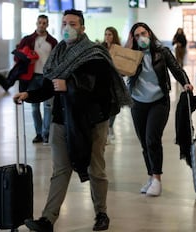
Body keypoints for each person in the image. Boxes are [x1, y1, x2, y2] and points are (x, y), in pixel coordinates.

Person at [13, 9, 132, 232]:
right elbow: (49, 84)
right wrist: (29, 94)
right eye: (65, 23)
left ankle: (101, 214)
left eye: (73, 24)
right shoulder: (58, 53)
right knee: (60, 169)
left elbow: (102, 89)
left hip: (92, 120)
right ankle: (47, 219)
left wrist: (72, 86)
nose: (68, 28)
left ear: (83, 28)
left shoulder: (95, 54)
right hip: (62, 118)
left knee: (96, 169)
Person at [127, 22, 193, 196]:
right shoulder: (133, 55)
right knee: (144, 143)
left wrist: (185, 82)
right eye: (136, 35)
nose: (141, 37)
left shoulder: (162, 52)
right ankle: (150, 177)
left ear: (149, 33)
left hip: (159, 101)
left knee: (152, 139)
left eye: (143, 33)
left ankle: (157, 179)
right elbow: (120, 71)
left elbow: (176, 68)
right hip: (137, 102)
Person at [0, 15, 58, 144]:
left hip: (47, 77)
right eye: (40, 22)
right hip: (32, 76)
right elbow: (17, 57)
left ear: (47, 25)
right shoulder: (28, 40)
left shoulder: (52, 42)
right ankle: (39, 133)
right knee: (34, 107)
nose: (42, 25)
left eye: (44, 23)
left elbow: (57, 59)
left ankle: (46, 133)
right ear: (36, 23)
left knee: (48, 106)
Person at [101, 26, 121, 144]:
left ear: (114, 36)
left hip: (114, 82)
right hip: (102, 82)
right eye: (106, 34)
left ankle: (110, 127)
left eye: (110, 34)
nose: (107, 37)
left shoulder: (118, 49)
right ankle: (105, 130)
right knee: (104, 106)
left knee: (114, 106)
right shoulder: (100, 48)